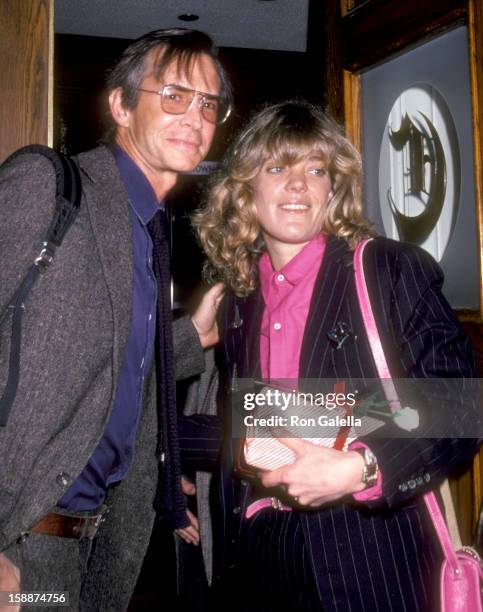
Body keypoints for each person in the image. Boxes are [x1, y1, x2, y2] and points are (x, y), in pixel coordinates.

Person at [193, 100, 480, 611]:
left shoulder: (388, 270)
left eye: (316, 169)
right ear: (245, 190)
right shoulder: (240, 298)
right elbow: (257, 420)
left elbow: (461, 406)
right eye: (277, 167)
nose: (299, 183)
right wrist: (167, 467)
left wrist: (361, 468)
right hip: (264, 558)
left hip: (372, 560)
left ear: (334, 187)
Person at [0, 28, 230, 611]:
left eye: (208, 104)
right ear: (121, 105)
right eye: (174, 95)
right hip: (22, 537)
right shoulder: (50, 187)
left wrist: (196, 334)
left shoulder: (150, 229)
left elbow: (105, 358)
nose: (195, 117)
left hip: (91, 539)